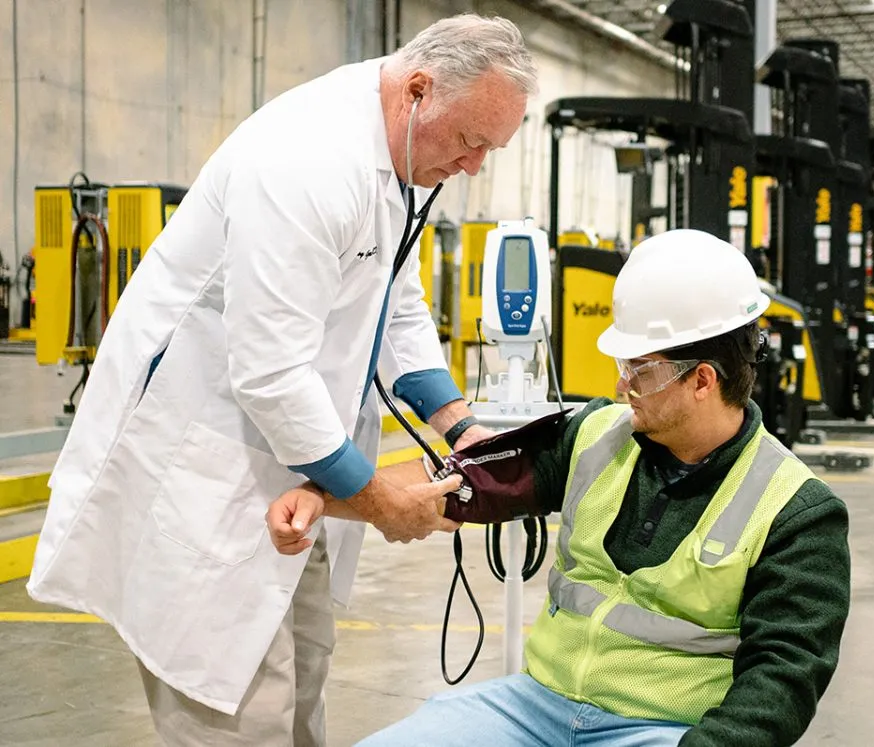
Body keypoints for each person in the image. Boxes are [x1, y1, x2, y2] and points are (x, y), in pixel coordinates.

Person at [26, 13, 537, 746]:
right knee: (234, 713)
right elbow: (267, 372)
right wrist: (379, 499)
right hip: (206, 467)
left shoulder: (400, 159)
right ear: (419, 91)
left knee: (302, 690)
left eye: (490, 149)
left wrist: (458, 423)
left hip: (297, 463)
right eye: (470, 142)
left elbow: (397, 297)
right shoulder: (308, 159)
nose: (473, 167)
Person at [272, 229, 852, 746]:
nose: (621, 384)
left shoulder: (797, 513)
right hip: (537, 709)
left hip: (665, 729)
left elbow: (782, 681)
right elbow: (458, 482)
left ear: (702, 379)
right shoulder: (596, 436)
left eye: (640, 370)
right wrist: (322, 498)